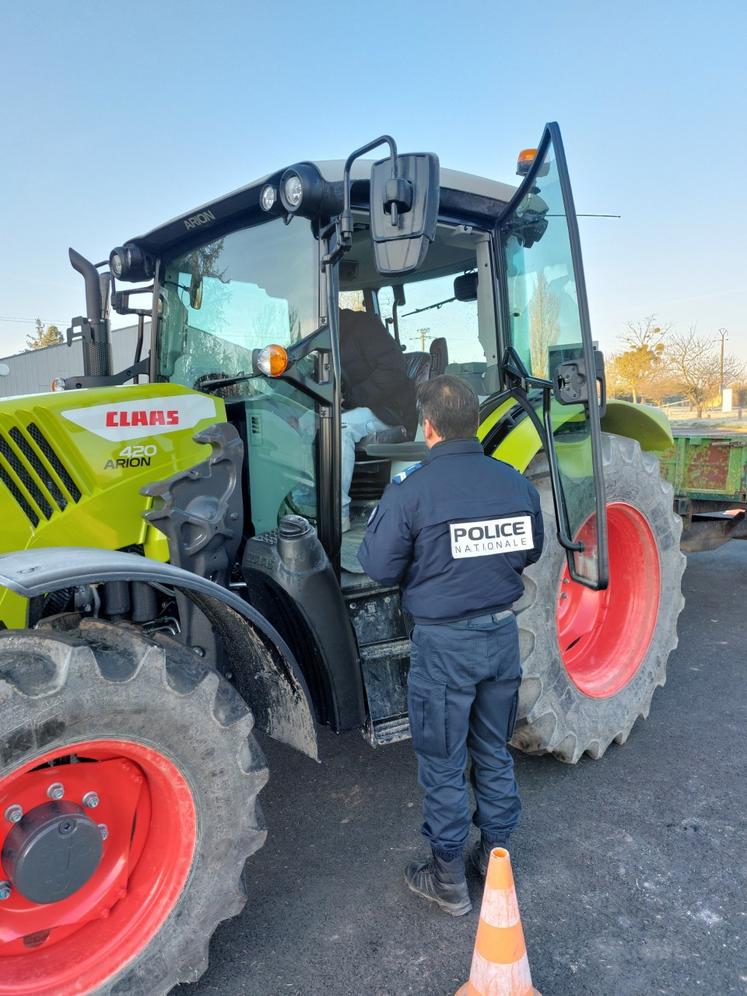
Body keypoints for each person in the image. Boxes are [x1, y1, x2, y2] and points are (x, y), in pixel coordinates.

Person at [357, 375, 544, 916]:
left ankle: (448, 881)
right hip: (501, 638)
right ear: (476, 423)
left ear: (428, 425)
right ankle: (496, 858)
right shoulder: (513, 482)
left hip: (443, 648)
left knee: (443, 761)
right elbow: (528, 550)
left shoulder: (412, 489)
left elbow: (377, 565)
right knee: (492, 749)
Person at [339, 308, 417, 530]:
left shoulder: (364, 326)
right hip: (356, 406)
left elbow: (393, 370)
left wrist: (351, 397)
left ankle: (338, 514)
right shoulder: (323, 341)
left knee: (338, 429)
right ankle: (304, 504)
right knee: (303, 422)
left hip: (391, 410)